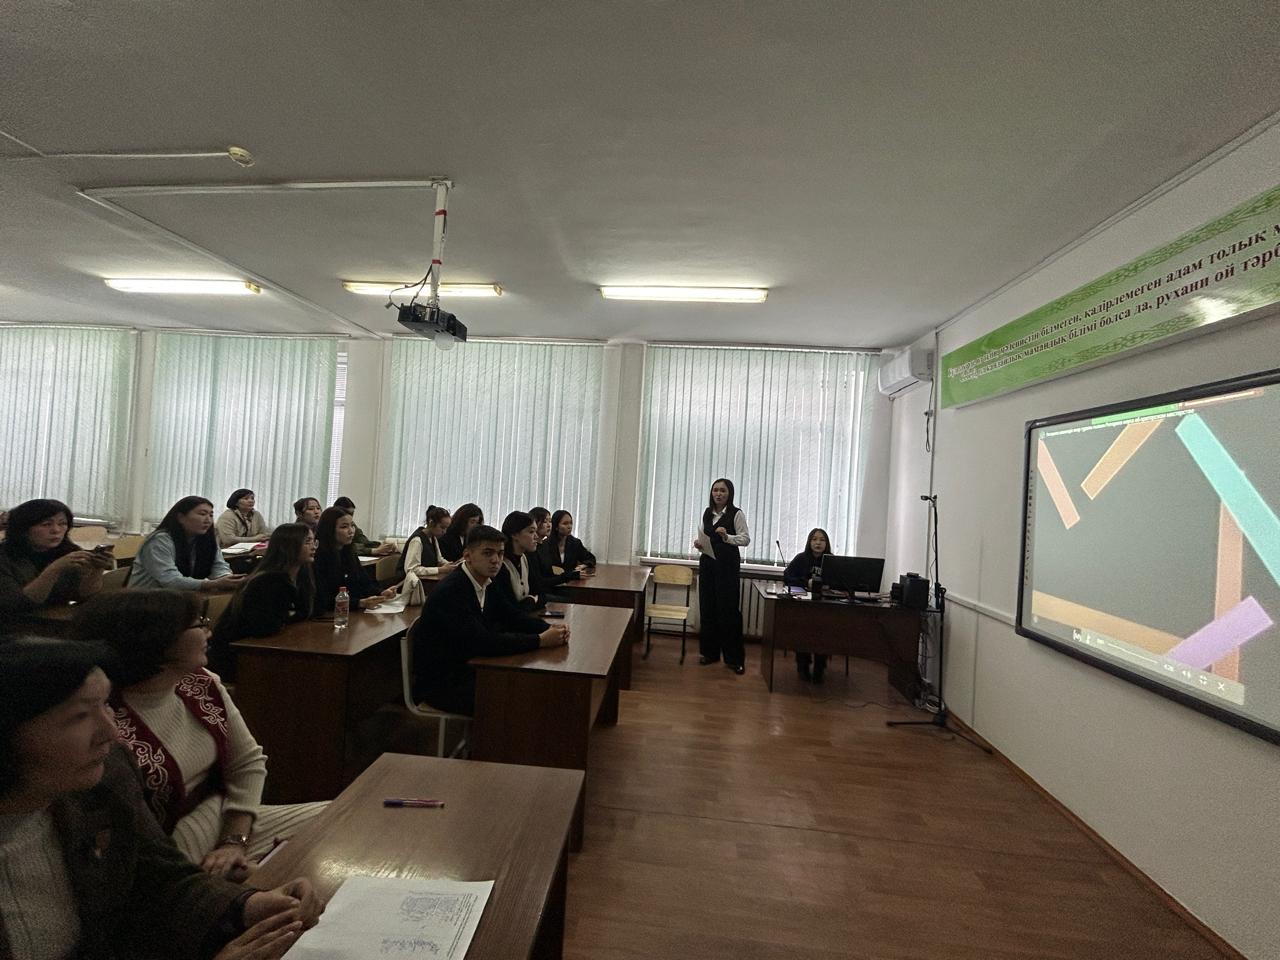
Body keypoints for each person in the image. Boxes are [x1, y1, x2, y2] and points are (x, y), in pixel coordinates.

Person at [0, 639, 321, 960]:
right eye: (80, 716)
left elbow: (159, 877)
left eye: (106, 704)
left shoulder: (103, 778)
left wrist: (246, 906)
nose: (112, 731)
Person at [72, 591, 328, 876]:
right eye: (198, 623)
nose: (209, 630)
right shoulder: (103, 720)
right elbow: (136, 847)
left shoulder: (201, 682)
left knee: (344, 817)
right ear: (157, 640)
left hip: (229, 823)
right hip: (172, 857)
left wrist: (234, 841)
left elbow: (247, 763)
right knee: (303, 875)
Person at [408, 524, 568, 716]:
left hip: (470, 667)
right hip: (443, 683)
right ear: (467, 556)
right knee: (523, 698)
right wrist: (540, 640)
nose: (496, 560)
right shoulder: (451, 591)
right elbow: (483, 642)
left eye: (500, 553)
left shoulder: (487, 582)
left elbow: (512, 616)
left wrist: (550, 628)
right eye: (487, 553)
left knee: (534, 686)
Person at [208, 524, 319, 680]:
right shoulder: (269, 581)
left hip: (267, 648)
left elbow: (305, 612)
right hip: (237, 655)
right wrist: (289, 616)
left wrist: (289, 616)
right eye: (307, 542)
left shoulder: (302, 575)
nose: (313, 547)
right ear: (288, 546)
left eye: (314, 541)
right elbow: (265, 628)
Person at [0, 498, 113, 629]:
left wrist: (96, 570)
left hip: (54, 622)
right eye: (46, 524)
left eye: (62, 523)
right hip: (13, 626)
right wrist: (55, 569)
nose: (56, 530)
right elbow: (19, 604)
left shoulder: (69, 551)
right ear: (24, 529)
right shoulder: (5, 556)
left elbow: (84, 596)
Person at [692, 478, 751, 674]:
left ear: (729, 494)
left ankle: (734, 659)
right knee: (708, 608)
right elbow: (705, 536)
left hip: (727, 567)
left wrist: (727, 537)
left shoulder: (736, 513)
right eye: (715, 490)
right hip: (708, 564)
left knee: (728, 611)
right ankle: (710, 653)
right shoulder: (707, 513)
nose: (718, 493)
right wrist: (700, 544)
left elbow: (745, 539)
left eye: (723, 490)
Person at [129, 497, 245, 593]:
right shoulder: (159, 541)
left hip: (184, 598)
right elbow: (170, 580)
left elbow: (219, 566)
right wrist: (213, 584)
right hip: (145, 601)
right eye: (202, 514)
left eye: (211, 515)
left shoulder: (207, 540)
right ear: (181, 517)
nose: (208, 520)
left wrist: (227, 579)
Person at [312, 506, 396, 614]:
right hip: (332, 615)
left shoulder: (349, 552)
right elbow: (323, 599)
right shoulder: (318, 557)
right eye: (344, 527)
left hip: (351, 612)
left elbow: (364, 582)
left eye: (352, 525)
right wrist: (359, 603)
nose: (351, 531)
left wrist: (381, 592)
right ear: (329, 529)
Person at [783, 528, 834, 683]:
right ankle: (803, 665)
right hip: (803, 605)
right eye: (814, 539)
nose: (818, 543)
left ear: (827, 543)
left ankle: (820, 667)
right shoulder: (801, 558)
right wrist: (806, 583)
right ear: (809, 542)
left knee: (824, 633)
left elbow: (839, 582)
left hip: (824, 607)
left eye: (822, 540)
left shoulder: (832, 560)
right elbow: (787, 577)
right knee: (802, 630)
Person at [495, 511, 546, 611]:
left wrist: (530, 601)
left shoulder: (525, 558)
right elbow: (511, 610)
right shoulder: (500, 564)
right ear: (514, 534)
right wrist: (532, 600)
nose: (536, 536)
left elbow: (542, 595)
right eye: (531, 532)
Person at [331, 497, 396, 557]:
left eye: (352, 513)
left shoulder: (352, 526)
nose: (350, 516)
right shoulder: (330, 525)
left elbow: (365, 542)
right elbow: (346, 547)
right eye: (347, 513)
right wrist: (372, 551)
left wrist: (385, 546)